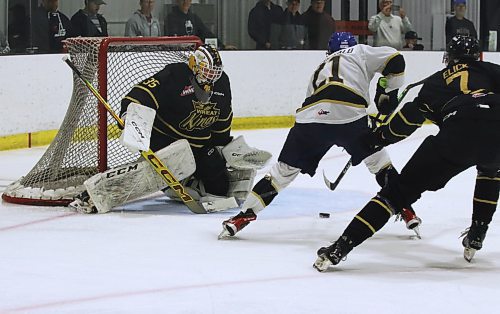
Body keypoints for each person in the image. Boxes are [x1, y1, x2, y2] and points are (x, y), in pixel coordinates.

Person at [314, 35, 500, 271]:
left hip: (458, 132)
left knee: (396, 194)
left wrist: (375, 140)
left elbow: (405, 122)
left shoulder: (435, 82)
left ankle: (340, 248)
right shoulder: (492, 70)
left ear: (448, 58)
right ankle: (477, 234)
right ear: (479, 56)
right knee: (491, 169)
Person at [219, 32, 421, 239]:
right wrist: (387, 91)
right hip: (350, 112)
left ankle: (242, 217)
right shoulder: (359, 51)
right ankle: (406, 209)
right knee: (379, 162)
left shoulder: (319, 69)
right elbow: (395, 59)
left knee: (283, 172)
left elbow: (322, 109)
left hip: (311, 116)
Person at [70, 45, 270, 214]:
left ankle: (185, 182)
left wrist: (222, 148)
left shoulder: (222, 83)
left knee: (219, 187)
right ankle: (92, 196)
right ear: (195, 65)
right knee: (153, 172)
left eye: (215, 74)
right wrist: (128, 116)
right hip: (167, 142)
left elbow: (223, 120)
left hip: (199, 146)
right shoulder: (175, 75)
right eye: (208, 73)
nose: (211, 78)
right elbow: (141, 94)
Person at [165, 0, 236, 49]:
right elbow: (173, 38)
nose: (186, 2)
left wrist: (222, 46)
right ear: (177, 1)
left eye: (188, 0)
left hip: (193, 53)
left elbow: (206, 33)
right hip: (178, 53)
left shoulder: (193, 17)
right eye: (183, 0)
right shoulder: (171, 18)